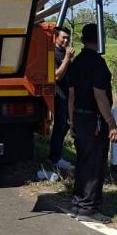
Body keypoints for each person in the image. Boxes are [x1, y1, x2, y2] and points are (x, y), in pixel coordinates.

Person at [66, 23, 117, 223]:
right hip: (94, 121)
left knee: (82, 161)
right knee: (94, 165)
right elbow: (100, 95)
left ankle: (77, 204)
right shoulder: (98, 63)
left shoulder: (76, 62)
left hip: (79, 118)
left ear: (82, 40)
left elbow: (71, 96)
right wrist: (111, 123)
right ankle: (89, 209)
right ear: (100, 39)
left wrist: (71, 121)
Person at [49, 26, 74, 170]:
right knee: (60, 125)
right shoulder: (52, 53)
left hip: (68, 94)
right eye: (63, 37)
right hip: (59, 94)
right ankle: (55, 158)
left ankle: (56, 154)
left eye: (67, 38)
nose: (66, 41)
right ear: (56, 37)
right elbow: (57, 76)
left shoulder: (64, 53)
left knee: (65, 125)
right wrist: (67, 58)